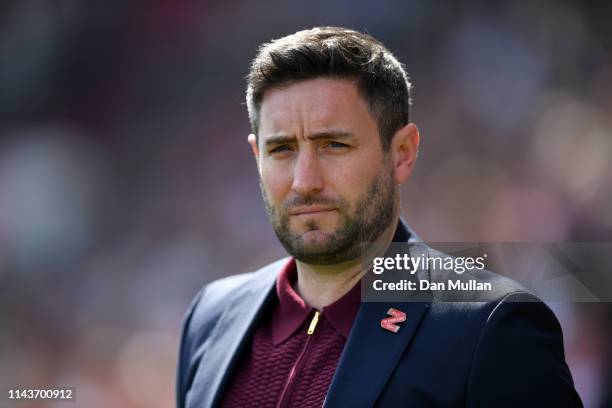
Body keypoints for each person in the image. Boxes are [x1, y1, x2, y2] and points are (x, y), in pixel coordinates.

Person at [176, 26, 582, 407]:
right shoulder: (210, 317)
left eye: (333, 144)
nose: (304, 181)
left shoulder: (491, 328)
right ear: (256, 158)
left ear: (402, 153)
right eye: (281, 149)